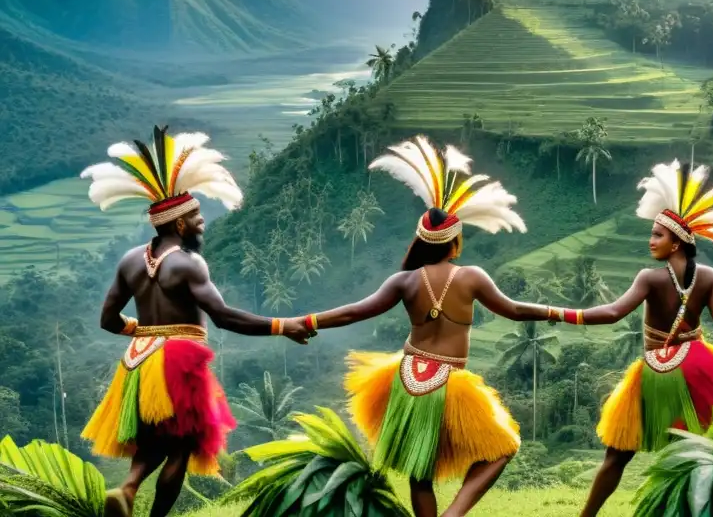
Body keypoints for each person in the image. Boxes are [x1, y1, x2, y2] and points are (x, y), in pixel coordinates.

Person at [303, 136, 561, 517]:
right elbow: (515, 310)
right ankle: (453, 514)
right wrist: (564, 313)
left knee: (419, 473)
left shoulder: (404, 281)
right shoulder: (471, 277)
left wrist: (305, 321)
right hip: (449, 381)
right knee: (504, 448)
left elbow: (353, 312)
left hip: (407, 376)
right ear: (454, 242)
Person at [79, 126, 312, 517]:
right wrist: (282, 325)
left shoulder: (130, 261)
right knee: (182, 448)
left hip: (138, 361)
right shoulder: (188, 263)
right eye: (197, 217)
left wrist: (142, 331)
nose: (202, 223)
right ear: (180, 224)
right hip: (179, 360)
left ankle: (129, 488)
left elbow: (107, 319)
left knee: (151, 444)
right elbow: (223, 317)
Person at [559, 160, 713, 517]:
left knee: (616, 455)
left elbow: (612, 313)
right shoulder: (708, 278)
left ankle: (586, 516)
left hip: (658, 371)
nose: (651, 240)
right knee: (707, 450)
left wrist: (556, 313)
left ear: (676, 243)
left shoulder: (649, 278)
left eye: (658, 234)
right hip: (700, 369)